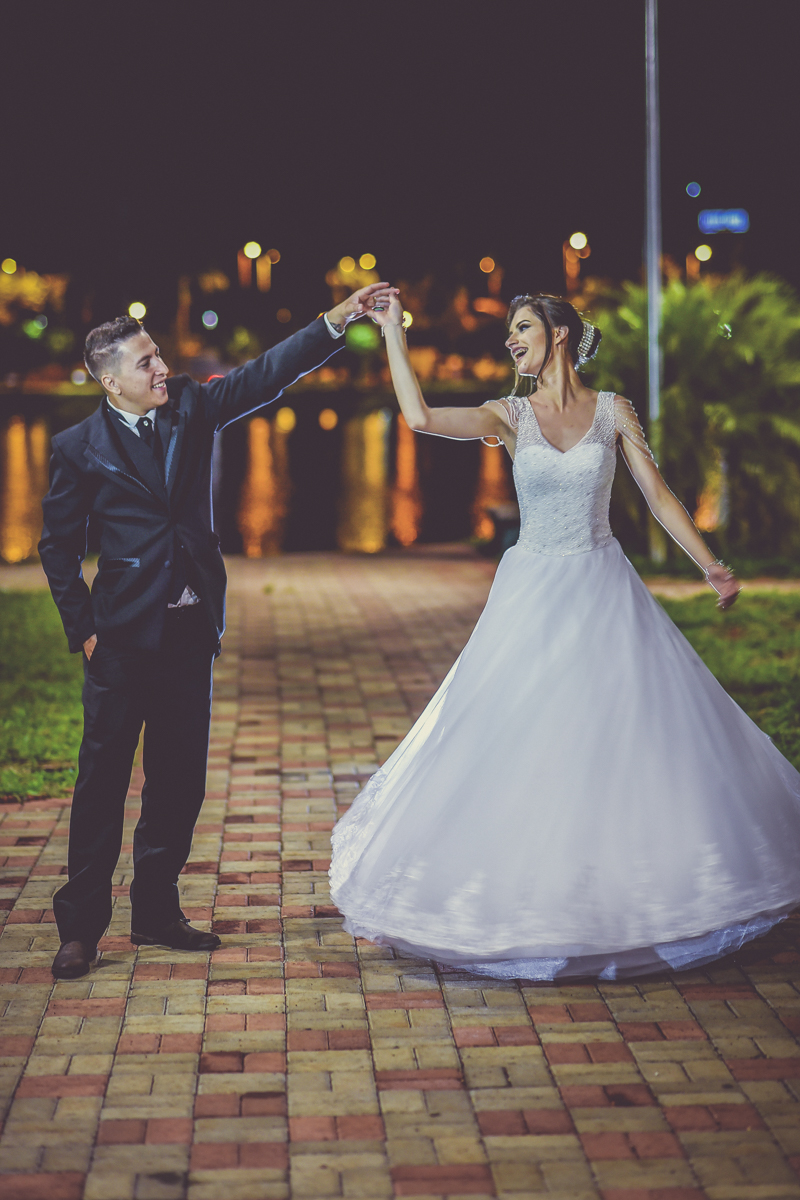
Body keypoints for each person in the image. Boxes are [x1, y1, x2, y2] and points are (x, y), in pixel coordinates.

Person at [330, 290, 800, 980]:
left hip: (603, 586)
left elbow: (658, 494)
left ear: (559, 333)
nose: (510, 342)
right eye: (509, 332)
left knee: (617, 741)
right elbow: (420, 416)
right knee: (518, 736)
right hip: (531, 593)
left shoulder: (614, 411)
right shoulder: (508, 413)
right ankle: (523, 899)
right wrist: (394, 333)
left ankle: (622, 897)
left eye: (520, 329)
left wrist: (712, 567)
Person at [40, 281, 392, 979]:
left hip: (187, 633)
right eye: (145, 363)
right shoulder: (78, 447)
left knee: (178, 780)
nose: (161, 368)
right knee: (100, 782)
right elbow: (56, 547)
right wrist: (83, 628)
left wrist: (335, 319)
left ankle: (156, 913)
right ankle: (80, 928)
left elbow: (266, 373)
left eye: (158, 355)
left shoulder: (193, 408)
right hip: (118, 638)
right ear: (110, 382)